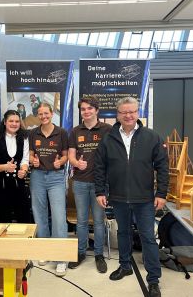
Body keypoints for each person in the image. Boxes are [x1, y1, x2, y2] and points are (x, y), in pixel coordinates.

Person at [94, 97, 169, 297]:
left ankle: (153, 279)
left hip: (144, 198)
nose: (128, 115)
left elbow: (162, 167)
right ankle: (125, 265)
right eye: (124, 112)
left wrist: (161, 193)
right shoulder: (109, 138)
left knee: (148, 238)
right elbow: (100, 166)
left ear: (138, 112)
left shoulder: (152, 137)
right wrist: (100, 191)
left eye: (132, 111)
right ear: (117, 114)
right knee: (123, 233)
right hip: (118, 197)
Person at [67, 96, 111, 273]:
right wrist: (77, 163)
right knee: (82, 221)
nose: (86, 111)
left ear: (97, 110)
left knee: (99, 221)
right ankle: (81, 252)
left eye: (89, 108)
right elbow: (71, 155)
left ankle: (99, 254)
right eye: (83, 109)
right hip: (80, 182)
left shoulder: (107, 129)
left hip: (100, 185)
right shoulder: (75, 131)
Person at [29, 102, 69, 277]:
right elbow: (31, 153)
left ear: (52, 114)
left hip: (56, 177)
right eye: (40, 114)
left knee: (59, 216)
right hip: (37, 176)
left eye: (46, 113)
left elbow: (67, 155)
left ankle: (61, 259)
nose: (43, 116)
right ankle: (45, 250)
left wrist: (61, 162)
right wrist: (33, 161)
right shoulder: (33, 133)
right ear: (38, 116)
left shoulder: (61, 132)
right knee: (40, 214)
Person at [0, 110, 31, 223]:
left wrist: (24, 170)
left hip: (19, 184)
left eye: (17, 121)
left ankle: (24, 241)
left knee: (24, 218)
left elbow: (25, 160)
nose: (14, 124)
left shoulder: (24, 138)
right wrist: (5, 167)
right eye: (11, 121)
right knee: (4, 219)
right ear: (5, 122)